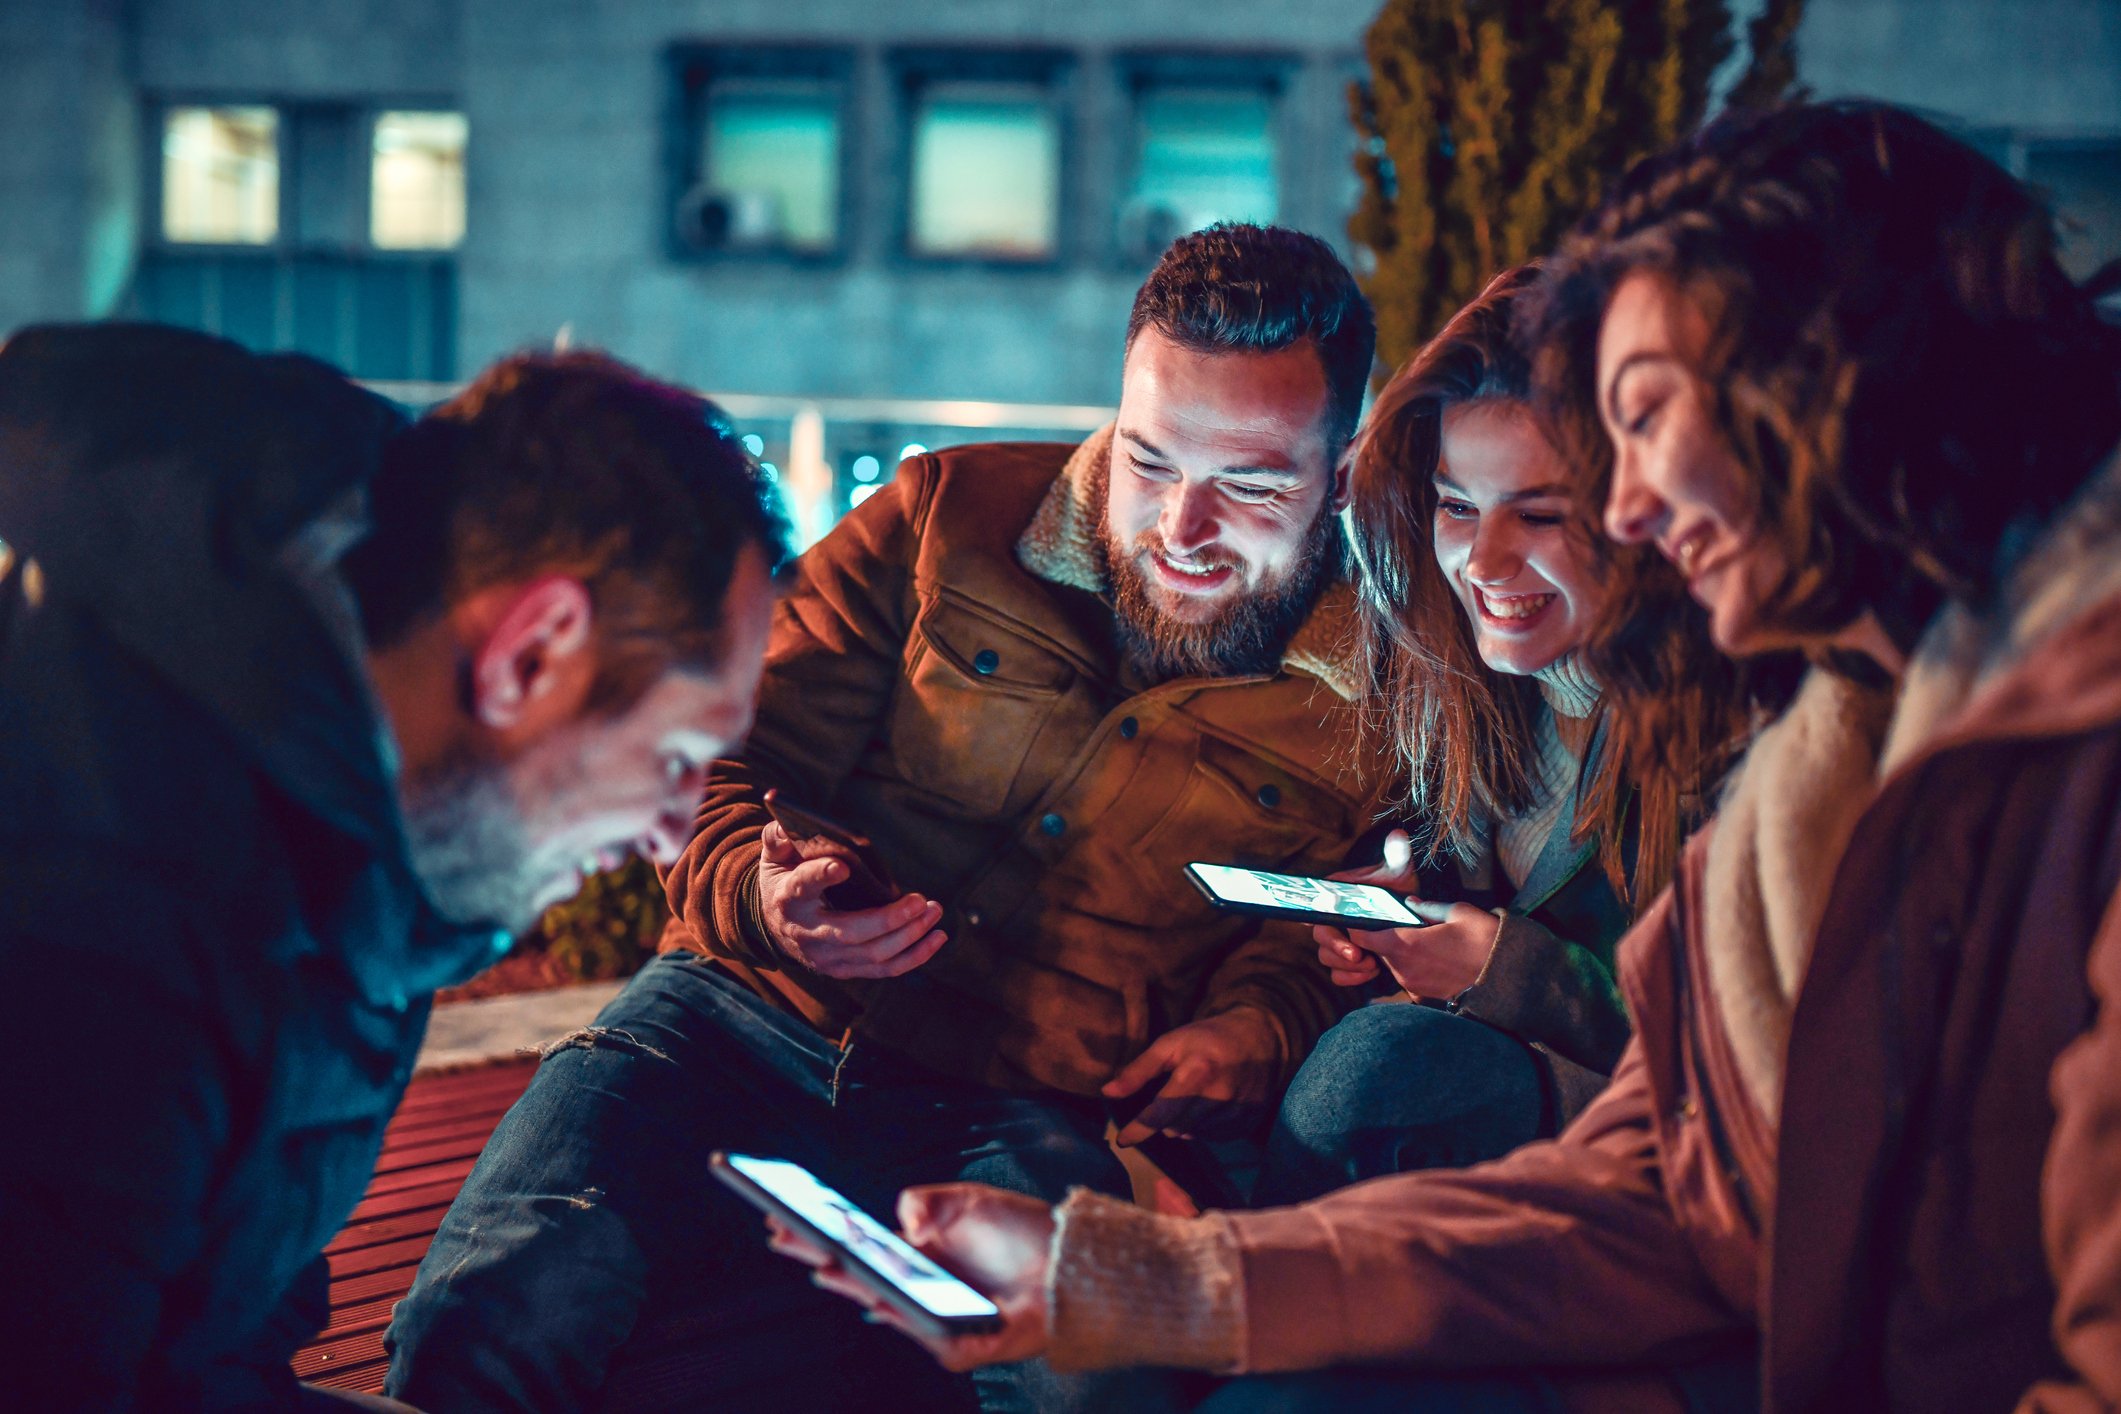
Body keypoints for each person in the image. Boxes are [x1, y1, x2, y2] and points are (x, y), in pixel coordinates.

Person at [782, 101, 2121, 1413]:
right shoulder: (1813, 766)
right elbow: (1651, 1182)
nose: (1637, 503)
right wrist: (1139, 1276)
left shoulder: (2032, 758)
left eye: (1646, 423)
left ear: (1849, 390)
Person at [384, 223, 1398, 1414]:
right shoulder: (941, 513)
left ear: (1340, 477)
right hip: (732, 1016)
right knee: (497, 1302)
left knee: (1105, 1386)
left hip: (1026, 1100)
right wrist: (764, 899)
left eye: (1251, 483)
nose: (1183, 529)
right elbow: (719, 754)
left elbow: (1318, 936)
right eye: (1152, 462)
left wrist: (1254, 1031)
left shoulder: (1378, 696)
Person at [0, 329, 785, 1410]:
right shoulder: (114, 948)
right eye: (675, 757)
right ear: (534, 654)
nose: (670, 833)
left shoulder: (375, 811)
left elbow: (217, 1324)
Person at [1255, 266, 1755, 1203]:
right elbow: (1459, 887)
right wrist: (1406, 906)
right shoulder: (1463, 686)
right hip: (1504, 1133)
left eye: (1539, 514)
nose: (1480, 561)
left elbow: (1753, 1067)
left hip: (1673, 1154)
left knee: (1385, 1075)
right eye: (1455, 506)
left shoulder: (1745, 728)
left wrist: (1504, 972)